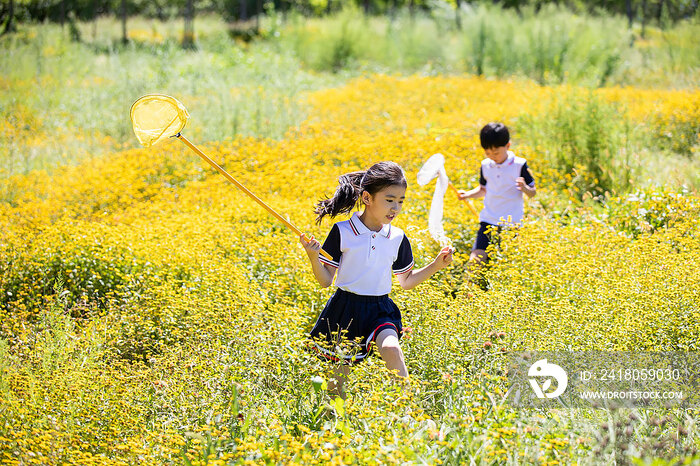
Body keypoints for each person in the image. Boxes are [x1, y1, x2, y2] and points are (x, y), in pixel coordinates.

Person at [300, 161, 453, 398]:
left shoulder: (397, 237)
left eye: (401, 201)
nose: (396, 208)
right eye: (389, 200)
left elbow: (406, 281)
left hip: (381, 308)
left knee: (391, 347)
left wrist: (435, 265)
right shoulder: (343, 231)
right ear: (367, 198)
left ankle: (406, 407)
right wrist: (313, 257)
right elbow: (325, 281)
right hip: (345, 308)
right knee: (337, 382)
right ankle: (333, 423)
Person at [458, 122, 536, 264]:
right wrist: (468, 194)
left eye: (496, 153)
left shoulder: (519, 165)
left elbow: (532, 193)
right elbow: (483, 189)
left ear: (508, 146)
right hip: (489, 219)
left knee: (510, 261)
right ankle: (470, 285)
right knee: (476, 258)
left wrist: (524, 188)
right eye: (488, 153)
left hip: (513, 222)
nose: (492, 156)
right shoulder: (485, 165)